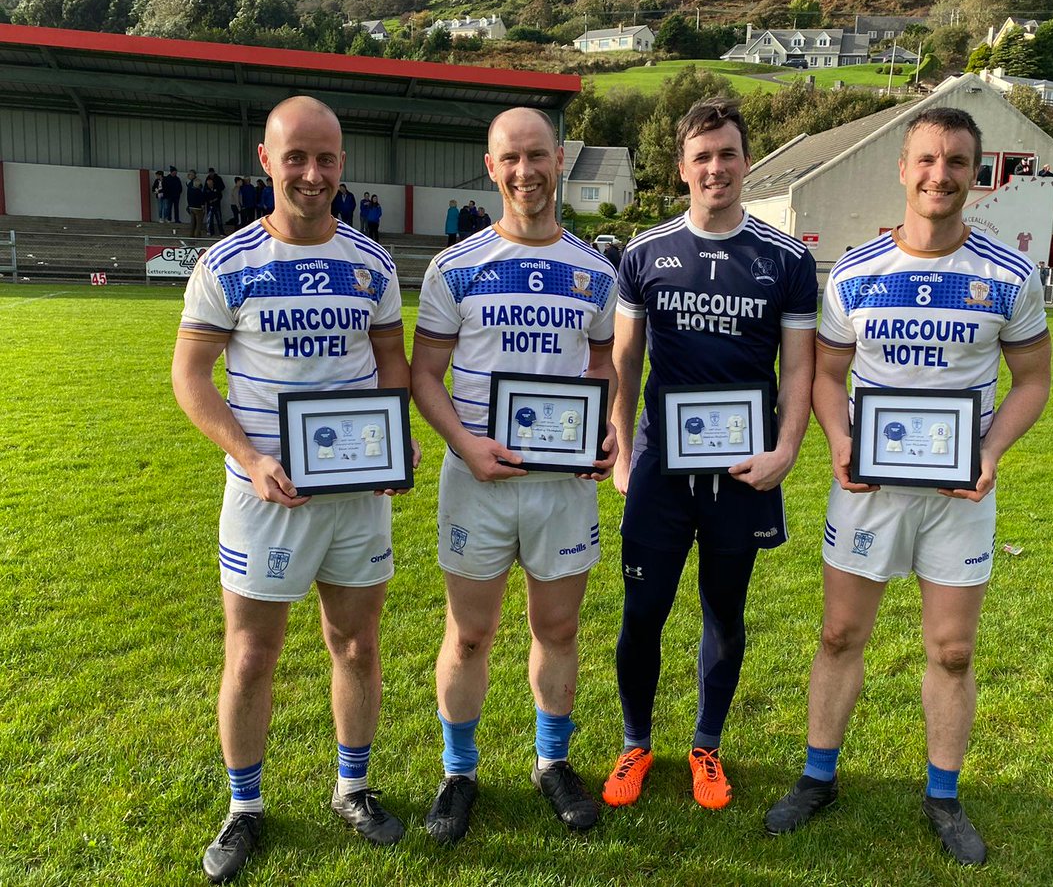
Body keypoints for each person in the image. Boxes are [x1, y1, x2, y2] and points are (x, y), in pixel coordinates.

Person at [763, 107, 1050, 867]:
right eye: (927, 159)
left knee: (953, 651)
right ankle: (817, 778)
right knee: (838, 636)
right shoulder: (856, 273)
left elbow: (1034, 379)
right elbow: (826, 375)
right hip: (870, 487)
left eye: (957, 162)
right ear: (902, 168)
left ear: (976, 176)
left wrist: (990, 451)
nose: (940, 174)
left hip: (961, 492)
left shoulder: (1007, 274)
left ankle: (943, 796)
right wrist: (843, 440)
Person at [172, 96, 417, 884]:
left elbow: (391, 365)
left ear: (342, 165)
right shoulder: (228, 263)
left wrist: (395, 442)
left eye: (328, 159)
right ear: (266, 160)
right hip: (263, 496)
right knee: (251, 656)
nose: (313, 174)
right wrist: (248, 457)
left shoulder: (370, 263)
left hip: (354, 494)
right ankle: (245, 807)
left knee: (357, 643)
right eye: (298, 157)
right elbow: (189, 377)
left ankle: (353, 787)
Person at [603, 97, 818, 813]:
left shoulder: (786, 260)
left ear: (747, 161)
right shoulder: (644, 253)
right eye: (702, 156)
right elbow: (625, 362)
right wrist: (619, 455)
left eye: (728, 153)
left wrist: (787, 449)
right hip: (661, 470)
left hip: (743, 471)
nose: (716, 168)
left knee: (724, 613)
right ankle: (636, 743)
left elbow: (799, 369)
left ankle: (706, 746)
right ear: (682, 168)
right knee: (643, 614)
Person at [410, 107, 617, 845]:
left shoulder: (596, 271)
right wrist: (465, 443)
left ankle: (551, 762)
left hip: (561, 486)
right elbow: (424, 374)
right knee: (469, 636)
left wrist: (608, 424)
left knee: (556, 628)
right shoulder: (455, 266)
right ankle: (458, 771)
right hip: (479, 480)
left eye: (538, 155)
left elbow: (602, 363)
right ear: (491, 166)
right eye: (510, 158)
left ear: (559, 159)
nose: (525, 171)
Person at [186, 170, 206, 238]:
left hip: (191, 207)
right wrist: (203, 206)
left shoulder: (190, 190)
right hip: (198, 208)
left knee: (192, 222)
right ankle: (197, 235)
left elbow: (188, 198)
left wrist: (189, 205)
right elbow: (202, 200)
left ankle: (191, 234)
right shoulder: (199, 191)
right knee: (198, 223)